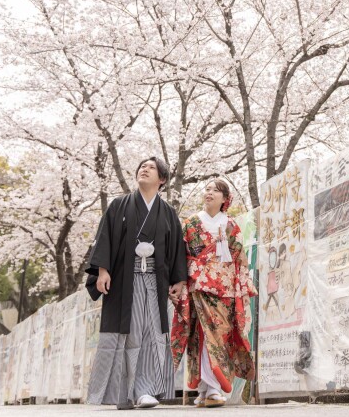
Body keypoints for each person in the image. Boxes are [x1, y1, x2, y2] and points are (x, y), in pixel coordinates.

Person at [85, 157, 187, 410]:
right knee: (127, 333)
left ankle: (145, 390)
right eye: (142, 166)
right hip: (124, 281)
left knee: (152, 332)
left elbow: (176, 248)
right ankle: (125, 392)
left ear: (161, 180)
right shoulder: (119, 205)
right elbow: (105, 237)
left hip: (154, 281)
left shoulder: (168, 213)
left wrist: (179, 279)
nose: (144, 169)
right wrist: (103, 270)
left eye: (151, 168)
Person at [170, 179, 256, 408]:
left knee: (220, 335)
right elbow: (181, 256)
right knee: (200, 336)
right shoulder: (190, 223)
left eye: (215, 190)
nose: (209, 193)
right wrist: (181, 280)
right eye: (207, 189)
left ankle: (208, 389)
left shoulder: (231, 225)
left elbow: (240, 259)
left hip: (224, 289)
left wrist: (242, 286)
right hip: (198, 286)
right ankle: (210, 389)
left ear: (225, 199)